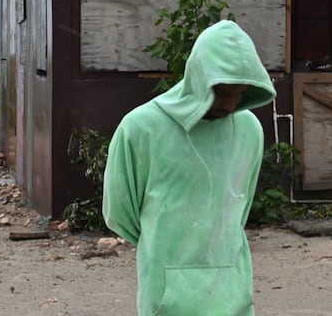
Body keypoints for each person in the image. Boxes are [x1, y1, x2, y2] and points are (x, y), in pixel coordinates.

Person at [102, 20, 277, 316]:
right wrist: (166, 251)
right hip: (167, 295)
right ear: (198, 77)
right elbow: (119, 213)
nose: (230, 103)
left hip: (232, 291)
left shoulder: (250, 130)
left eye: (240, 92)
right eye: (221, 92)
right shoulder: (141, 128)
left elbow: (240, 206)